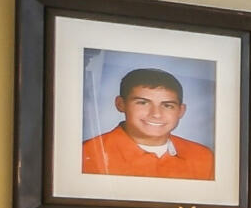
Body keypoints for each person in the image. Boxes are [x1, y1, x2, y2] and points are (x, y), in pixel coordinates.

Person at [80, 68, 215, 179]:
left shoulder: (203, 157)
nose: (156, 114)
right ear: (120, 104)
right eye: (143, 103)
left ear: (181, 111)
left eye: (167, 105)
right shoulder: (87, 154)